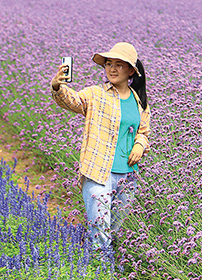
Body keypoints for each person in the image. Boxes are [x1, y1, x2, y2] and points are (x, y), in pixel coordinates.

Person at [50, 42, 150, 264]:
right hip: (98, 172)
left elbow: (143, 131)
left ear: (131, 70)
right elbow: (73, 101)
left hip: (128, 175)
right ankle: (102, 279)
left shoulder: (138, 100)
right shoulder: (96, 94)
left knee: (113, 228)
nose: (112, 69)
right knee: (100, 231)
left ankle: (96, 268)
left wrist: (139, 145)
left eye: (118, 65)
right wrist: (58, 87)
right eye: (108, 64)